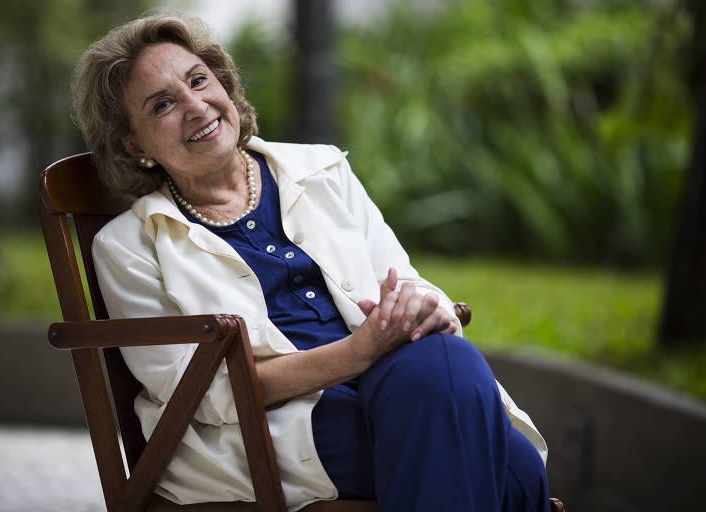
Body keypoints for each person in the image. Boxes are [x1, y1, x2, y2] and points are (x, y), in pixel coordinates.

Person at [73, 12, 550, 512]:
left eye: (198, 80)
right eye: (163, 104)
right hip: (275, 426)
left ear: (224, 85)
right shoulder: (128, 246)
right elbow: (208, 398)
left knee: (446, 361)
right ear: (134, 145)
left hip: (394, 384)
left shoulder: (322, 170)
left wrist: (424, 308)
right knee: (512, 473)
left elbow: (404, 280)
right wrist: (358, 352)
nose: (195, 106)